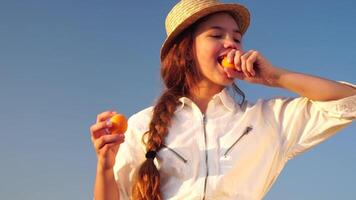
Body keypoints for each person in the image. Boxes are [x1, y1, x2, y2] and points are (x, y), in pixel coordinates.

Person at [90, 0, 356, 199]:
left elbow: (349, 102)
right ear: (186, 50)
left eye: (237, 38)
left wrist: (275, 77)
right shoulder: (142, 124)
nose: (231, 44)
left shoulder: (267, 119)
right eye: (216, 35)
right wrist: (106, 164)